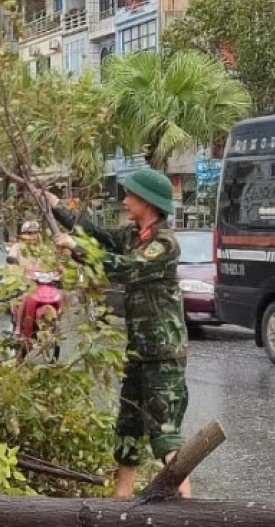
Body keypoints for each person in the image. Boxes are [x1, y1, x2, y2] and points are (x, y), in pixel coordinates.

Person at [47, 168, 190, 499]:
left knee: (165, 435)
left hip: (163, 354)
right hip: (139, 352)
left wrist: (77, 250)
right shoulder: (132, 235)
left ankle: (187, 516)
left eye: (131, 196)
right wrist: (57, 207)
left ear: (148, 202)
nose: (125, 201)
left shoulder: (164, 243)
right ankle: (121, 503)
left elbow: (128, 268)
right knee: (128, 427)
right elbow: (97, 234)